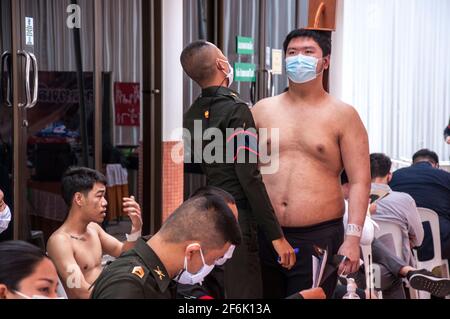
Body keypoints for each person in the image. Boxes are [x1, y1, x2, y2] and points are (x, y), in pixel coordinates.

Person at [251, 29, 370, 298]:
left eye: (307, 52)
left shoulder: (343, 115)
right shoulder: (261, 110)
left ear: (325, 61)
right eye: (292, 53)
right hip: (266, 232)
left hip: (317, 236)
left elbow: (360, 181)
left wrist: (352, 238)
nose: (298, 58)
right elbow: (246, 172)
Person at [181, 40, 295, 299]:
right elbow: (249, 176)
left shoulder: (192, 113)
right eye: (223, 56)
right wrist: (276, 236)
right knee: (244, 293)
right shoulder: (237, 110)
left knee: (216, 289)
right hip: (237, 216)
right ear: (222, 64)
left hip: (207, 212)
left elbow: (201, 162)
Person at [91, 195, 241, 299]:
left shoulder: (163, 275)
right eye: (213, 260)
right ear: (192, 252)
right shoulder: (128, 287)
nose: (212, 266)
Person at [342, 167, 450, 299]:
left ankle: (406, 271)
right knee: (394, 274)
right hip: (353, 272)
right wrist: (366, 213)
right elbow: (366, 236)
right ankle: (408, 271)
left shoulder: (341, 206)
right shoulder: (403, 199)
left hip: (366, 267)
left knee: (387, 265)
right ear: (389, 176)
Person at [47, 167, 143, 299]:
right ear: (79, 199)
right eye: (99, 196)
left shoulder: (93, 229)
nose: (105, 202)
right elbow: (80, 291)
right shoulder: (60, 241)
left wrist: (136, 227)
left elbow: (123, 251)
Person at [390, 149, 450, 261]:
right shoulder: (446, 177)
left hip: (401, 241)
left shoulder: (395, 176)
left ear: (412, 164)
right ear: (436, 165)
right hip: (440, 241)